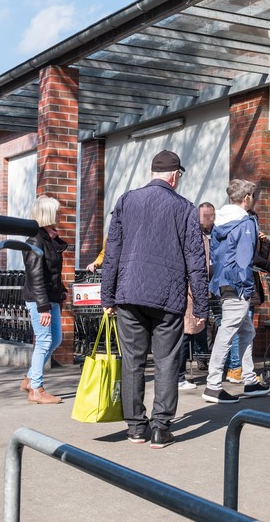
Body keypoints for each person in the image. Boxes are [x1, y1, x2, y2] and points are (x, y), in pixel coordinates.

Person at [100, 150, 209, 449]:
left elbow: (112, 253)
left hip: (129, 293)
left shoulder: (126, 201)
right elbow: (196, 261)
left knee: (133, 362)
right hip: (168, 295)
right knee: (166, 362)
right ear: (175, 176)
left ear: (152, 173)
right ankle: (161, 428)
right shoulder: (185, 208)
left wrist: (107, 296)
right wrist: (201, 306)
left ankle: (135, 428)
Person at [202, 180, 270, 404]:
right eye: (253, 196)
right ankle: (213, 385)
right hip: (238, 285)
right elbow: (245, 258)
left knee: (246, 331)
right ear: (247, 198)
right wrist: (246, 286)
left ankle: (250, 380)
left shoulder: (221, 220)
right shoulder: (246, 222)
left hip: (223, 282)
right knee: (227, 333)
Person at [20, 195, 68, 404]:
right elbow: (36, 276)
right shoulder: (35, 241)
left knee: (55, 339)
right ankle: (36, 389)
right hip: (40, 300)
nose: (60, 215)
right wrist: (43, 307)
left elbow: (52, 272)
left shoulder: (49, 240)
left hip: (50, 298)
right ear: (47, 214)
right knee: (45, 340)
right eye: (56, 212)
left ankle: (30, 378)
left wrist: (62, 290)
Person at [223, 208, 270, 384]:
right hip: (241, 288)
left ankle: (239, 369)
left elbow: (258, 261)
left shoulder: (248, 235)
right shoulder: (241, 234)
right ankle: (236, 369)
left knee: (244, 330)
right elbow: (252, 260)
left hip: (249, 289)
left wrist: (265, 243)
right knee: (241, 330)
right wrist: (268, 265)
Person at [178, 202, 215, 390]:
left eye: (211, 215)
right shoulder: (193, 235)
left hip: (200, 290)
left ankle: (183, 373)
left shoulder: (212, 236)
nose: (208, 219)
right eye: (205, 215)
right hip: (190, 291)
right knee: (185, 333)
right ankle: (179, 376)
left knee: (194, 332)